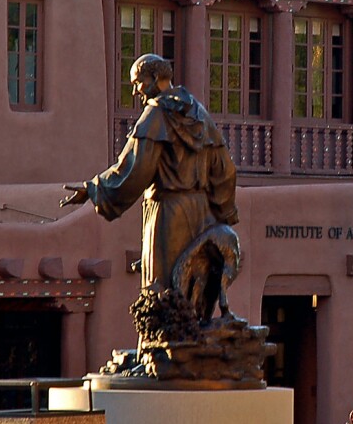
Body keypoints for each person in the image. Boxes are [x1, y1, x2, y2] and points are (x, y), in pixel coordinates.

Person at [62, 53, 239, 316]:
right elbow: (225, 171)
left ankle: (165, 351)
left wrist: (93, 188)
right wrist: (222, 214)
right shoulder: (200, 114)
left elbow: (135, 169)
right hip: (204, 214)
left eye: (138, 82)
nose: (135, 91)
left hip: (169, 214)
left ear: (156, 78)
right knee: (195, 290)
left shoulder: (155, 115)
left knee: (163, 291)